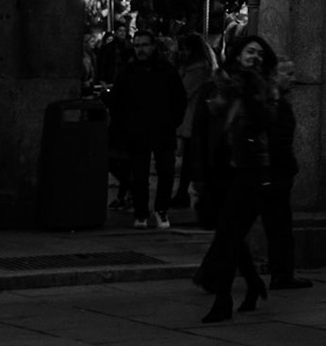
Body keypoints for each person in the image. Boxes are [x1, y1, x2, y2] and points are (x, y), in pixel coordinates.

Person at [199, 34, 276, 323]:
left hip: (250, 171)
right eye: (249, 51)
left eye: (259, 53)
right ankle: (254, 283)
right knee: (232, 235)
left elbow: (266, 121)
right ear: (238, 54)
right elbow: (206, 125)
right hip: (221, 170)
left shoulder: (264, 88)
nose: (254, 57)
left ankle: (223, 299)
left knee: (229, 235)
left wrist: (251, 91)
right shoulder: (220, 85)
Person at [111, 32, 186, 230]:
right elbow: (118, 102)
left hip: (162, 129)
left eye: (144, 45)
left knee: (166, 172)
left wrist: (172, 122)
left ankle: (160, 210)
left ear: (153, 46)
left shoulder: (166, 71)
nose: (141, 49)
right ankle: (141, 212)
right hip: (138, 131)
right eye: (137, 46)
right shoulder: (128, 72)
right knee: (139, 175)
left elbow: (179, 99)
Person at [263, 56, 310, 289]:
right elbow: (278, 142)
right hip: (275, 172)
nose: (293, 79)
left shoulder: (276, 102)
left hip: (273, 171)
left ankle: (281, 271)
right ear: (273, 75)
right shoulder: (274, 104)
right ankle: (282, 273)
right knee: (280, 226)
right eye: (287, 74)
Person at [171, 32, 216, 209]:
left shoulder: (197, 69)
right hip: (194, 117)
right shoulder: (204, 66)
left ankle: (189, 194)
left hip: (192, 117)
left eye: (186, 49)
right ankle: (187, 194)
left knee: (191, 159)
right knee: (192, 159)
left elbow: (184, 91)